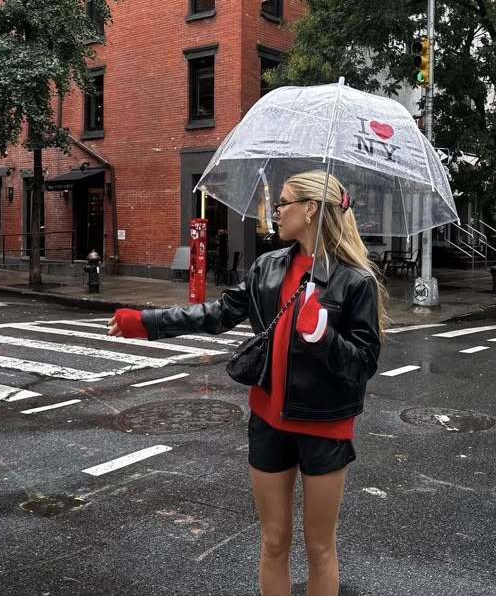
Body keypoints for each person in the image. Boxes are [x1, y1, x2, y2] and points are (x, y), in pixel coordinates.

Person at [107, 170, 388, 596]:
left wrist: (322, 336)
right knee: (274, 541)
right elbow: (216, 314)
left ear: (309, 210)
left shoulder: (355, 280)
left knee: (319, 548)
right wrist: (145, 323)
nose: (275, 212)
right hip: (268, 420)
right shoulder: (268, 267)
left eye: (283, 204)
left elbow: (363, 364)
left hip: (325, 427)